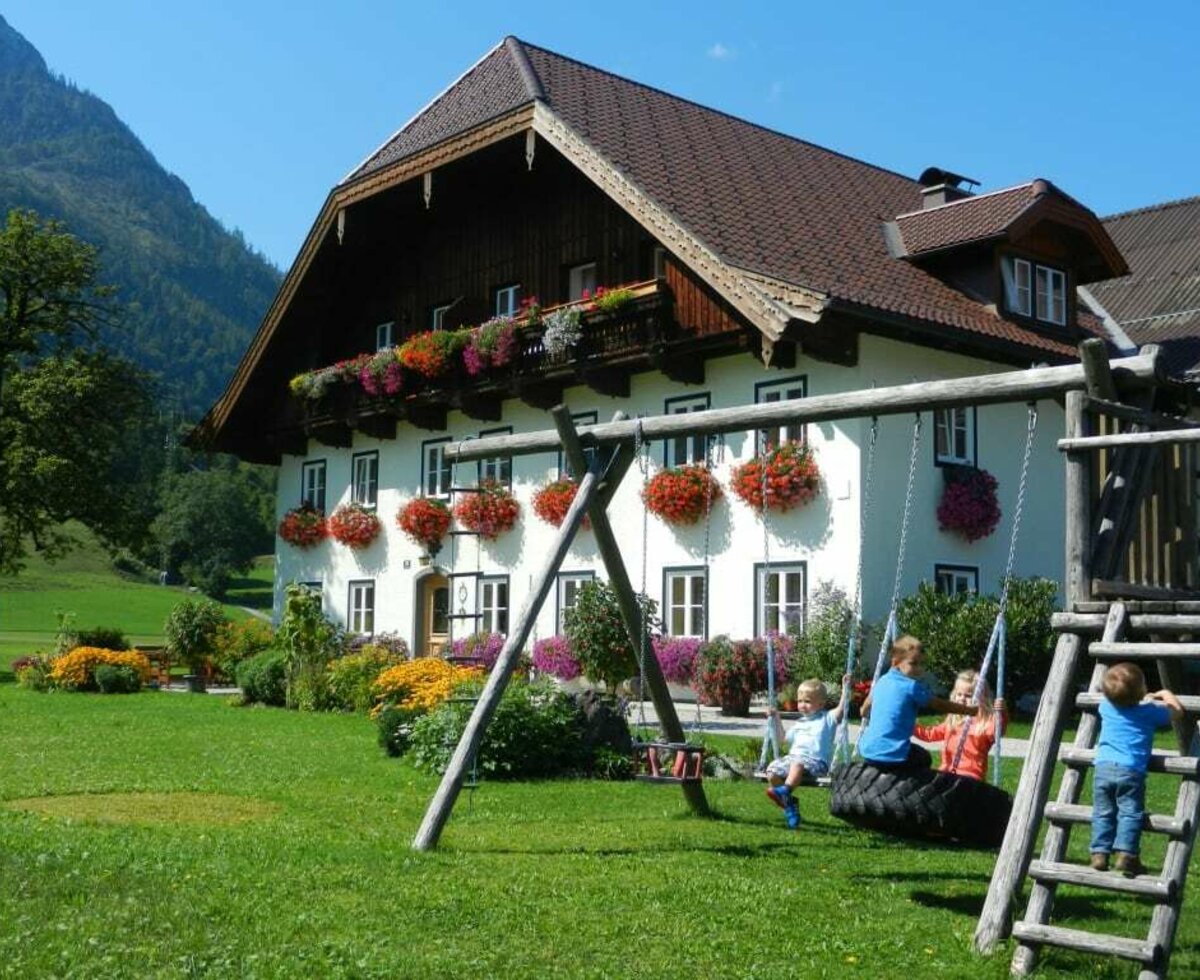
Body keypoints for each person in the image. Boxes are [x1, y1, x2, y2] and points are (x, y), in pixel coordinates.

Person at [1089, 662, 1182, 876]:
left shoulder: (1106, 707)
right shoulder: (1149, 712)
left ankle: (1099, 853)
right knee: (1130, 812)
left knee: (1103, 812)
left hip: (1103, 768)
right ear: (1141, 691)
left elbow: (1118, 699)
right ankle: (1127, 854)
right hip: (1130, 770)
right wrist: (1165, 694)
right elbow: (1177, 712)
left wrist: (1141, 698)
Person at [858, 635, 975, 771]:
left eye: (921, 664)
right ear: (896, 662)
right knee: (924, 758)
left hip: (868, 749)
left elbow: (863, 711)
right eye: (913, 663)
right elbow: (939, 704)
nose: (919, 669)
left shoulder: (882, 681)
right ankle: (910, 788)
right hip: (894, 754)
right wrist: (969, 711)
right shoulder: (912, 686)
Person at [764, 674, 850, 829]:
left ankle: (785, 791)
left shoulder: (827, 719)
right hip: (794, 759)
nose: (803, 705)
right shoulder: (799, 724)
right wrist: (776, 717)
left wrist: (845, 690)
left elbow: (841, 710)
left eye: (808, 701)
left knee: (797, 764)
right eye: (800, 701)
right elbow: (782, 738)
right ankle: (789, 803)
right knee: (772, 771)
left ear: (821, 704)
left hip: (816, 762)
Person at [914, 668, 1007, 782]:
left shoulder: (984, 724)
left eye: (968, 696)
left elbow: (997, 731)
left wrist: (1001, 712)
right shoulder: (953, 720)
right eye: (959, 694)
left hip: (971, 776)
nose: (962, 699)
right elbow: (929, 735)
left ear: (982, 698)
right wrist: (909, 725)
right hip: (947, 771)